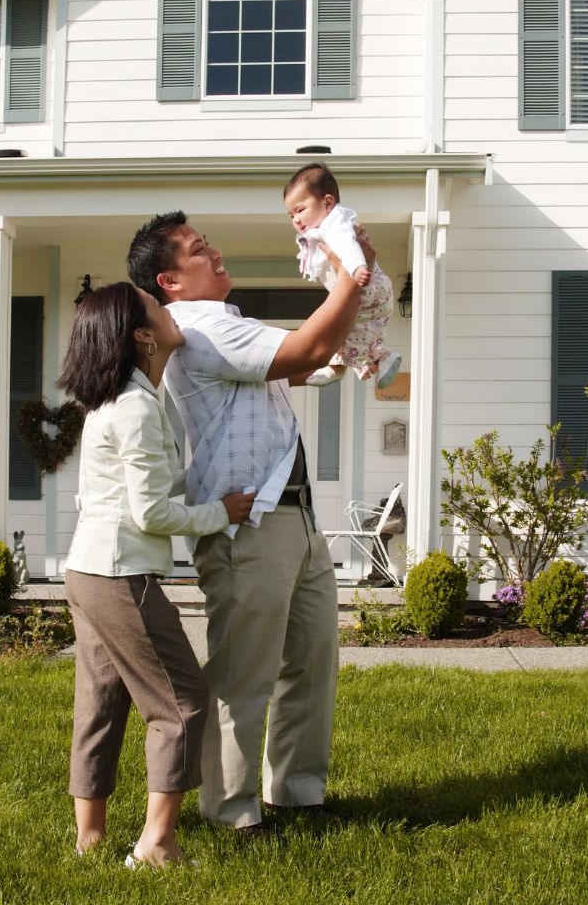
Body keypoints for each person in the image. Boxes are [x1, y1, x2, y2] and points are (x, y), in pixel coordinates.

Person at [127, 209, 372, 835]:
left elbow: (298, 363)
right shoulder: (197, 328)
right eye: (197, 250)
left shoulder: (222, 324)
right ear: (170, 283)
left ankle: (298, 793)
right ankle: (231, 811)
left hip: (294, 515)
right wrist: (350, 271)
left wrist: (347, 304)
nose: (215, 253)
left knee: (310, 661)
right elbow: (308, 347)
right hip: (248, 527)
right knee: (244, 676)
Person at [57, 282, 257, 866]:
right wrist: (220, 513)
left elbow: (131, 490)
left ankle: (89, 840)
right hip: (120, 575)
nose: (171, 315)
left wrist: (202, 479)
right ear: (143, 335)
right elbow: (150, 512)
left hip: (87, 569)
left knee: (101, 699)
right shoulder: (139, 406)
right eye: (157, 309)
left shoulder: (118, 400)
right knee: (182, 701)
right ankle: (157, 843)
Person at [283, 162, 401, 389]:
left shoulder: (333, 222)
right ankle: (381, 359)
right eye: (290, 215)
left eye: (300, 210)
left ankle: (339, 367)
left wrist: (358, 267)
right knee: (354, 330)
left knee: (338, 327)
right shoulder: (321, 229)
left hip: (365, 283)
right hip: (370, 289)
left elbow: (347, 245)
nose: (296, 220)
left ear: (327, 203)